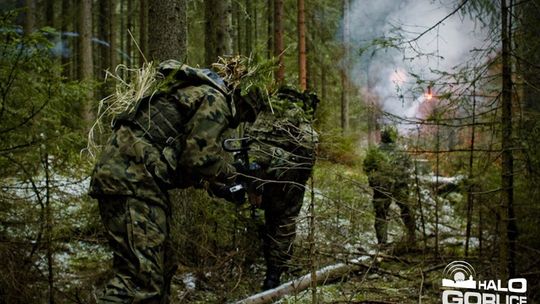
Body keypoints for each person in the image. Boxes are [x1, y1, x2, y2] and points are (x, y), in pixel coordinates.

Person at [88, 58, 265, 304]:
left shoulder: (196, 93)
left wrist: (215, 185)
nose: (241, 120)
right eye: (246, 113)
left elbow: (182, 160)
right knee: (140, 281)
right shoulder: (215, 99)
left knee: (161, 268)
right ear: (240, 100)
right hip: (132, 181)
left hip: (134, 179)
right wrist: (235, 173)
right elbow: (200, 159)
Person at [244, 87, 319, 290]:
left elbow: (246, 139)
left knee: (265, 218)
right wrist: (301, 176)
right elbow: (310, 145)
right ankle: (273, 275)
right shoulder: (297, 113)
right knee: (285, 222)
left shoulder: (263, 112)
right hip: (284, 179)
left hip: (255, 176)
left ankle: (266, 259)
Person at [363, 126, 415, 248]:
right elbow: (409, 168)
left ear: (382, 136)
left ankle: (382, 243)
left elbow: (366, 168)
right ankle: (412, 237)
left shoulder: (375, 151)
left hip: (381, 187)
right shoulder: (401, 151)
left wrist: (375, 180)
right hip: (400, 186)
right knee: (406, 209)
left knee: (381, 214)